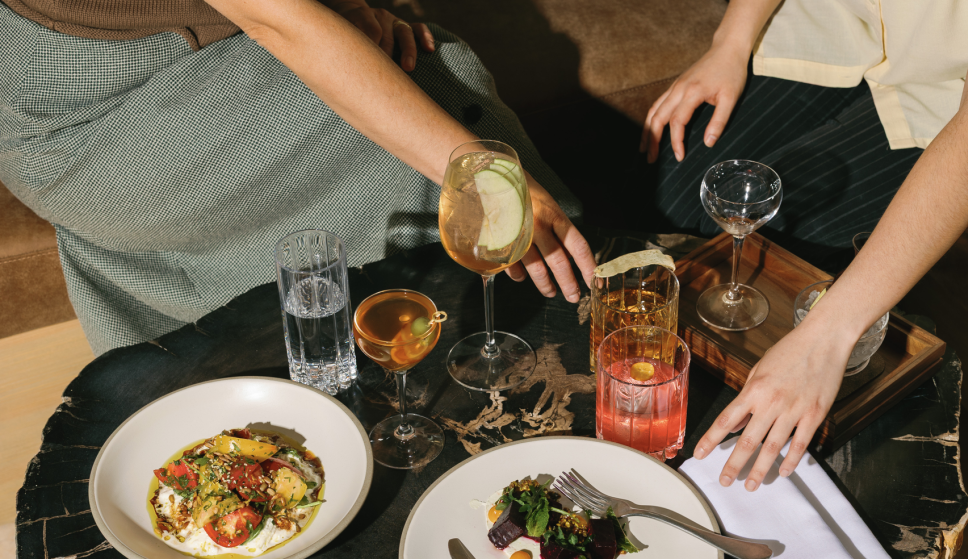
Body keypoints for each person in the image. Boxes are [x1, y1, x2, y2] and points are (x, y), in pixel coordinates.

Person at [642, 0, 968, 490]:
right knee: (679, 196)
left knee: (769, 231)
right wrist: (729, 42)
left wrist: (825, 339)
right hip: (850, 25)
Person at [0, 0, 595, 355]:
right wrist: (478, 170)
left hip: (215, 33)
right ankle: (529, 322)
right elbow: (281, 23)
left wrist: (345, 8)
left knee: (420, 74)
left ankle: (527, 313)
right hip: (85, 106)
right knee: (444, 91)